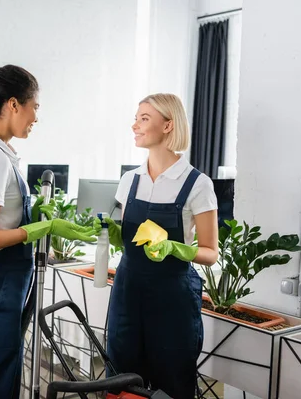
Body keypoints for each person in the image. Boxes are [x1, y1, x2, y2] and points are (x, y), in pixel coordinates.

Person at [0, 64, 101, 399]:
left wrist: (30, 216)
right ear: (13, 105)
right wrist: (39, 228)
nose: (36, 117)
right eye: (35, 107)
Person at [105, 93, 219, 399]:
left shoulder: (197, 184)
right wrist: (111, 233)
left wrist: (174, 248)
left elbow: (210, 252)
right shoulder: (129, 180)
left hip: (172, 300)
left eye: (144, 119)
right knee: (120, 378)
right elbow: (127, 236)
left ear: (168, 126)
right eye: (136, 117)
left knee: (172, 379)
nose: (135, 126)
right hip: (127, 292)